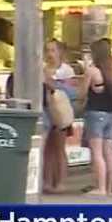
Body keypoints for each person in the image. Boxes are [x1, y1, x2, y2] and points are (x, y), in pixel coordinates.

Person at [81, 39, 112, 195]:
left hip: (95, 112)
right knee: (108, 152)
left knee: (97, 153)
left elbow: (81, 93)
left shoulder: (92, 71)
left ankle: (101, 187)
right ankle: (109, 188)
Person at [41, 39, 75, 193]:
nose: (49, 54)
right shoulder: (42, 68)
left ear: (60, 52)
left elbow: (70, 92)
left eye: (53, 50)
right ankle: (47, 181)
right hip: (46, 111)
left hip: (60, 111)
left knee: (59, 148)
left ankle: (60, 182)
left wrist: (51, 82)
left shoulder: (66, 70)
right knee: (47, 149)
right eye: (47, 50)